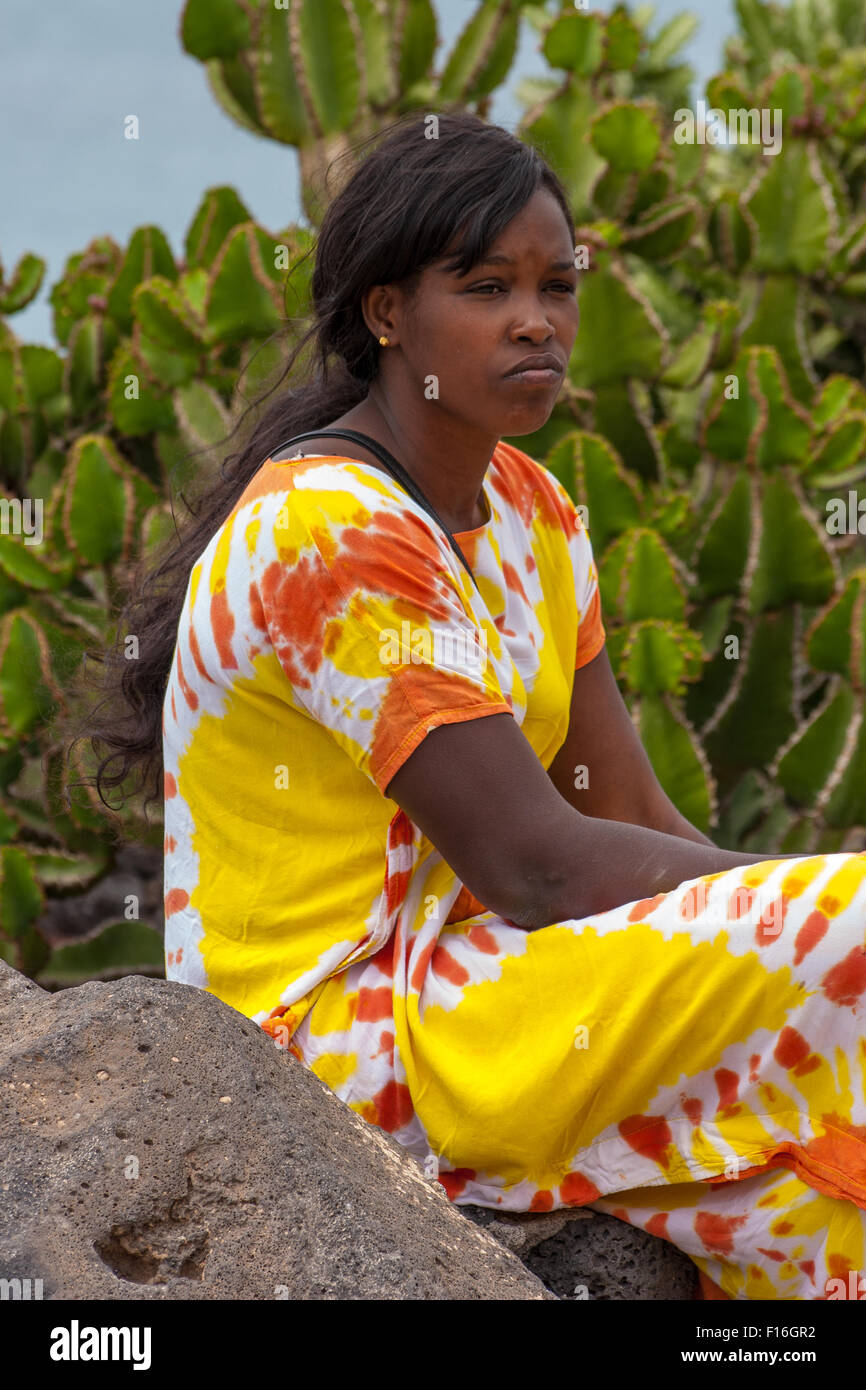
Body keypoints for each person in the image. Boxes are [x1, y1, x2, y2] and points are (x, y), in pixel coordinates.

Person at [90, 111, 866, 1301]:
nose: (534, 319)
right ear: (386, 313)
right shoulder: (330, 530)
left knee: (823, 1213)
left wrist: (760, 924)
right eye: (486, 284)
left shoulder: (532, 509)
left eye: (555, 285)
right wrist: (802, 923)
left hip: (494, 1005)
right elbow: (536, 867)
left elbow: (623, 803)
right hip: (332, 1053)